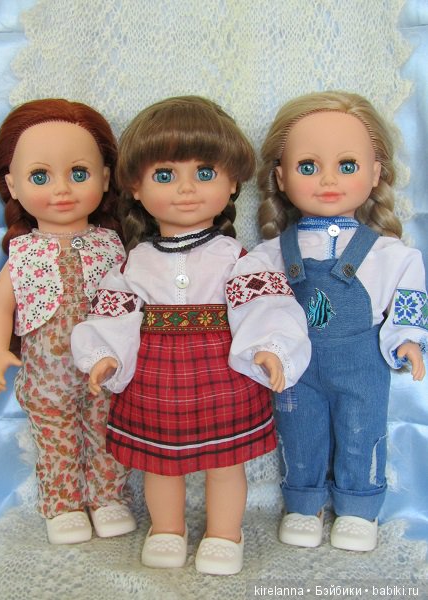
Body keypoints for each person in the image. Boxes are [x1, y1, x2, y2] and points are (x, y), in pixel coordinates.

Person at [71, 95, 310, 574]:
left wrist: (270, 348)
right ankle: (166, 528)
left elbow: (264, 306)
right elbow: (116, 313)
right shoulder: (136, 262)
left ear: (232, 182)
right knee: (159, 463)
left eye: (204, 173)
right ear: (135, 187)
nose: (186, 189)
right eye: (164, 175)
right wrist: (104, 354)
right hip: (155, 379)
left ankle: (225, 533)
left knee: (226, 462)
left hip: (224, 374)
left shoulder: (235, 257)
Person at [252, 90, 427, 552]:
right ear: (281, 177)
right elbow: (252, 301)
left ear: (375, 173)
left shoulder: (389, 253)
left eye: (347, 165)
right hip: (296, 363)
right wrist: (264, 344)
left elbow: (409, 296)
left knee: (361, 432)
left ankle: (358, 506)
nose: (328, 179)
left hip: (362, 361)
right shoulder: (271, 254)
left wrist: (408, 339)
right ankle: (303, 503)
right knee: (299, 433)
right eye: (308, 166)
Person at [0, 99, 136, 545]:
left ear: (105, 178)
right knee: (56, 439)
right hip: (47, 375)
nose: (62, 190)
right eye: (40, 177)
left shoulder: (112, 245)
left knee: (108, 432)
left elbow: (134, 299)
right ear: (12, 185)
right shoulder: (24, 252)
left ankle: (108, 497)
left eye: (79, 173)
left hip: (106, 369)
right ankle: (64, 504)